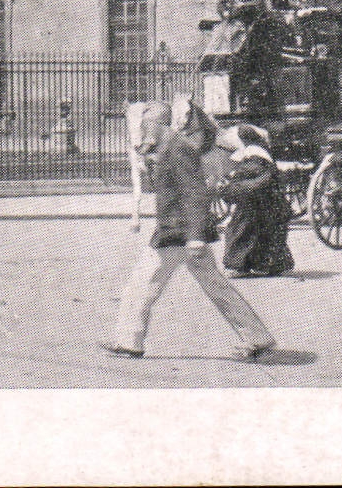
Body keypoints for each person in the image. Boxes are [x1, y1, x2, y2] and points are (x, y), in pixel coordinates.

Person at [103, 96, 277, 361]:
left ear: (158, 124)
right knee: (217, 286)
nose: (143, 131)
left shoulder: (177, 148)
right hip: (182, 232)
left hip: (179, 234)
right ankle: (258, 338)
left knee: (140, 285)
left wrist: (195, 238)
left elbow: (194, 193)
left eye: (147, 125)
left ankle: (129, 342)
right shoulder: (166, 147)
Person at [217, 125, 295, 278]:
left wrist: (230, 184)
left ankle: (239, 266)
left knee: (241, 229)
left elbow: (253, 178)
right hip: (264, 202)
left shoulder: (255, 157)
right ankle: (266, 264)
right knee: (263, 232)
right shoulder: (260, 153)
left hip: (259, 202)